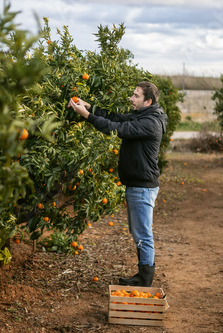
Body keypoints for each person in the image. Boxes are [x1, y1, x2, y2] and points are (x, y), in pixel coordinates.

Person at [68, 81, 168, 287]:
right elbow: (115, 118)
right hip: (138, 185)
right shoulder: (144, 115)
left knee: (143, 234)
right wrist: (90, 107)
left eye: (136, 96)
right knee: (138, 232)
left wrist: (86, 116)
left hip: (142, 187)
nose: (131, 98)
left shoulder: (150, 123)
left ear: (148, 101)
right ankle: (142, 275)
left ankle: (145, 281)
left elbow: (117, 128)